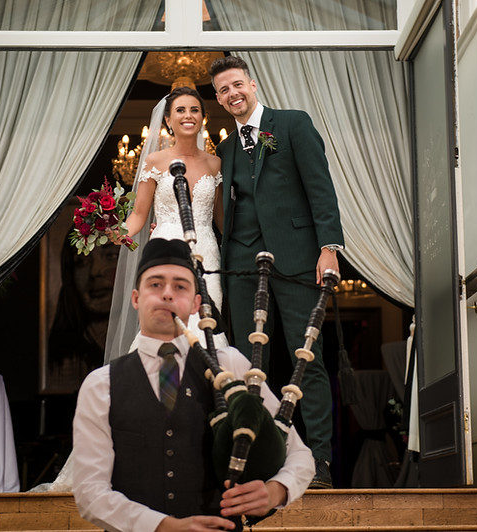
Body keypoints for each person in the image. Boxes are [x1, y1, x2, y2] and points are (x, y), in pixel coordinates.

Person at [52, 238, 314, 532]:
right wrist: (164, 526)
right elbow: (90, 495)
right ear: (135, 298)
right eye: (155, 284)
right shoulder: (101, 386)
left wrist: (276, 490)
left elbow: (299, 455)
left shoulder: (230, 366)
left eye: (180, 286)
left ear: (196, 303)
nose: (167, 294)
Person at [210, 56, 345, 489]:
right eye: (223, 91)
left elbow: (320, 188)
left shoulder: (291, 125)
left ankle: (320, 462)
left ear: (251, 84)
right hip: (243, 268)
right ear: (219, 99)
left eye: (237, 85)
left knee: (310, 360)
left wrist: (329, 249)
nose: (233, 94)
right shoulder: (226, 150)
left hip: (299, 259)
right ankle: (263, 461)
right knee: (252, 368)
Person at [105, 86, 227, 363]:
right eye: (181, 110)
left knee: (206, 323)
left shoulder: (216, 164)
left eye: (195, 110)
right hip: (165, 250)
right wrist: (115, 233)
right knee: (164, 321)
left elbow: (221, 219)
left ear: (203, 118)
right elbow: (138, 214)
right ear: (168, 120)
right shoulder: (155, 161)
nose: (188, 115)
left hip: (207, 255)